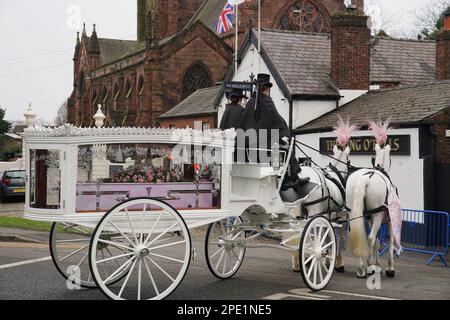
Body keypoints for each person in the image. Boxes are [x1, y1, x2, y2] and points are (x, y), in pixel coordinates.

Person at [242, 74, 309, 187]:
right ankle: (290, 178)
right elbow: (276, 120)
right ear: (267, 89)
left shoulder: (250, 103)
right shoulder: (266, 100)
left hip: (249, 145)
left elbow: (247, 123)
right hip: (264, 145)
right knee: (286, 149)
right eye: (269, 89)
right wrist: (284, 133)